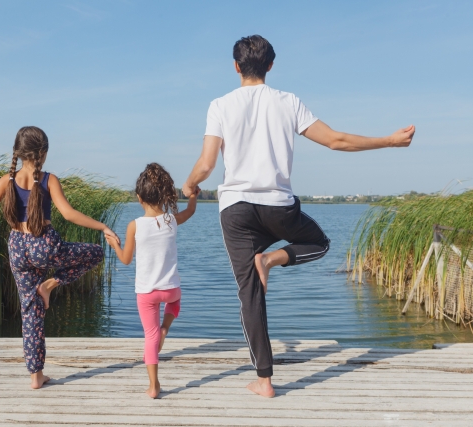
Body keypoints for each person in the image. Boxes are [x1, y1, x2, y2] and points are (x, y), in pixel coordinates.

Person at [182, 35, 415, 398]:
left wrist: (190, 184)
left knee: (250, 296)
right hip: (279, 206)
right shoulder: (288, 102)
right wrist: (389, 140)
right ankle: (272, 259)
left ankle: (264, 381)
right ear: (271, 66)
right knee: (319, 242)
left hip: (236, 210)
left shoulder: (220, 105)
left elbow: (207, 164)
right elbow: (336, 140)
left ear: (235, 66)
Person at [0, 126, 119, 389]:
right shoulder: (49, 180)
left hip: (17, 247)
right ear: (42, 152)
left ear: (18, 153)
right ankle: (51, 285)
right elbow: (68, 214)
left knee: (30, 313)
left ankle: (35, 376)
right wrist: (103, 227)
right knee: (96, 253)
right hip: (45, 245)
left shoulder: (6, 181)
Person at [106, 163, 198, 399]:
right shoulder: (170, 221)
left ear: (139, 198)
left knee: (150, 335)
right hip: (171, 291)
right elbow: (190, 212)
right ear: (164, 195)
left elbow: (126, 260)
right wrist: (193, 198)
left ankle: (154, 385)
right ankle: (165, 327)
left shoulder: (134, 226)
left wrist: (115, 244)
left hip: (146, 293)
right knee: (175, 303)